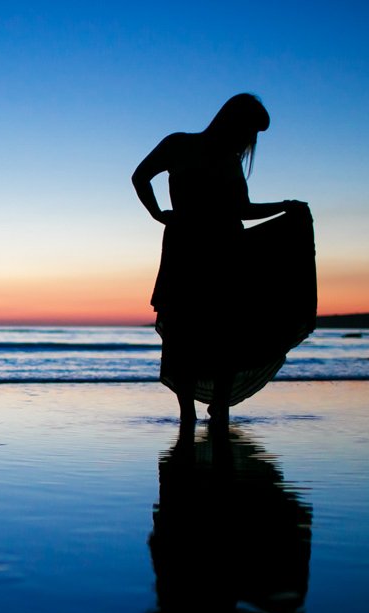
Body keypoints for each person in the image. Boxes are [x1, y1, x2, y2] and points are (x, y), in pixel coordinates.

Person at [132, 93, 315, 429]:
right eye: (251, 130)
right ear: (234, 122)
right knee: (186, 331)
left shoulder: (228, 160)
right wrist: (158, 214)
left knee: (222, 331)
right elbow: (140, 176)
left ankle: (217, 408)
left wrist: (286, 206)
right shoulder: (179, 144)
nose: (252, 139)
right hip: (190, 250)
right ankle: (190, 413)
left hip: (223, 249)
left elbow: (243, 210)